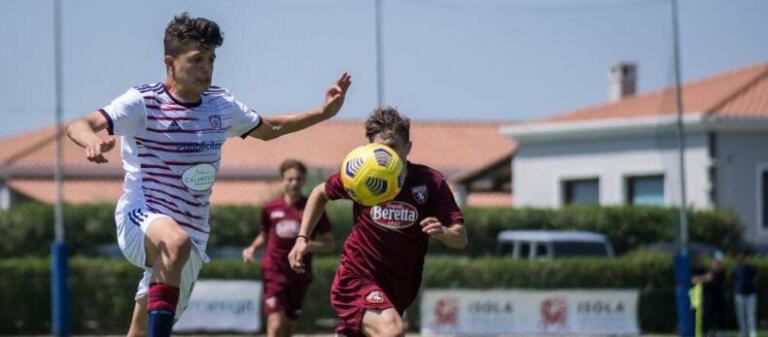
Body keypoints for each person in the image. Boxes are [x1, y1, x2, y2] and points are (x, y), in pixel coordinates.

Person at [65, 12, 351, 337]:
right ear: (170, 63)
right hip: (140, 216)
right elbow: (79, 124)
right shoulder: (143, 101)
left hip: (193, 235)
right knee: (175, 242)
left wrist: (323, 113)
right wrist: (90, 141)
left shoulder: (220, 105)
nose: (207, 68)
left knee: (143, 327)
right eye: (197, 59)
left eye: (212, 59)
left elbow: (271, 128)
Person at [287, 107, 468, 337]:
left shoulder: (429, 182)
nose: (385, 156)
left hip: (399, 287)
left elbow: (461, 238)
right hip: (357, 277)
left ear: (408, 147)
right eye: (379, 148)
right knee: (392, 329)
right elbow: (319, 192)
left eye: (392, 147)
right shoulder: (363, 174)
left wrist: (444, 232)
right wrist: (303, 238)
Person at [242, 159, 336, 337]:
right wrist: (252, 248)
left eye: (298, 179)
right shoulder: (270, 208)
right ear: (282, 180)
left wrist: (307, 246)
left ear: (304, 180)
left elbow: (329, 244)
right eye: (289, 179)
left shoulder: (313, 208)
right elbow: (264, 235)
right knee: (276, 323)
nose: (294, 183)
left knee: (288, 328)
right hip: (274, 270)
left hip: (299, 272)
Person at [733, 248, 758, 337]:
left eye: (743, 257)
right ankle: (742, 332)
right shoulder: (736, 269)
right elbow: (735, 280)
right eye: (740, 257)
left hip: (751, 294)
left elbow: (755, 279)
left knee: (751, 315)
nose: (742, 258)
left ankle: (752, 332)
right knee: (741, 315)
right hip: (739, 294)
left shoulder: (751, 268)